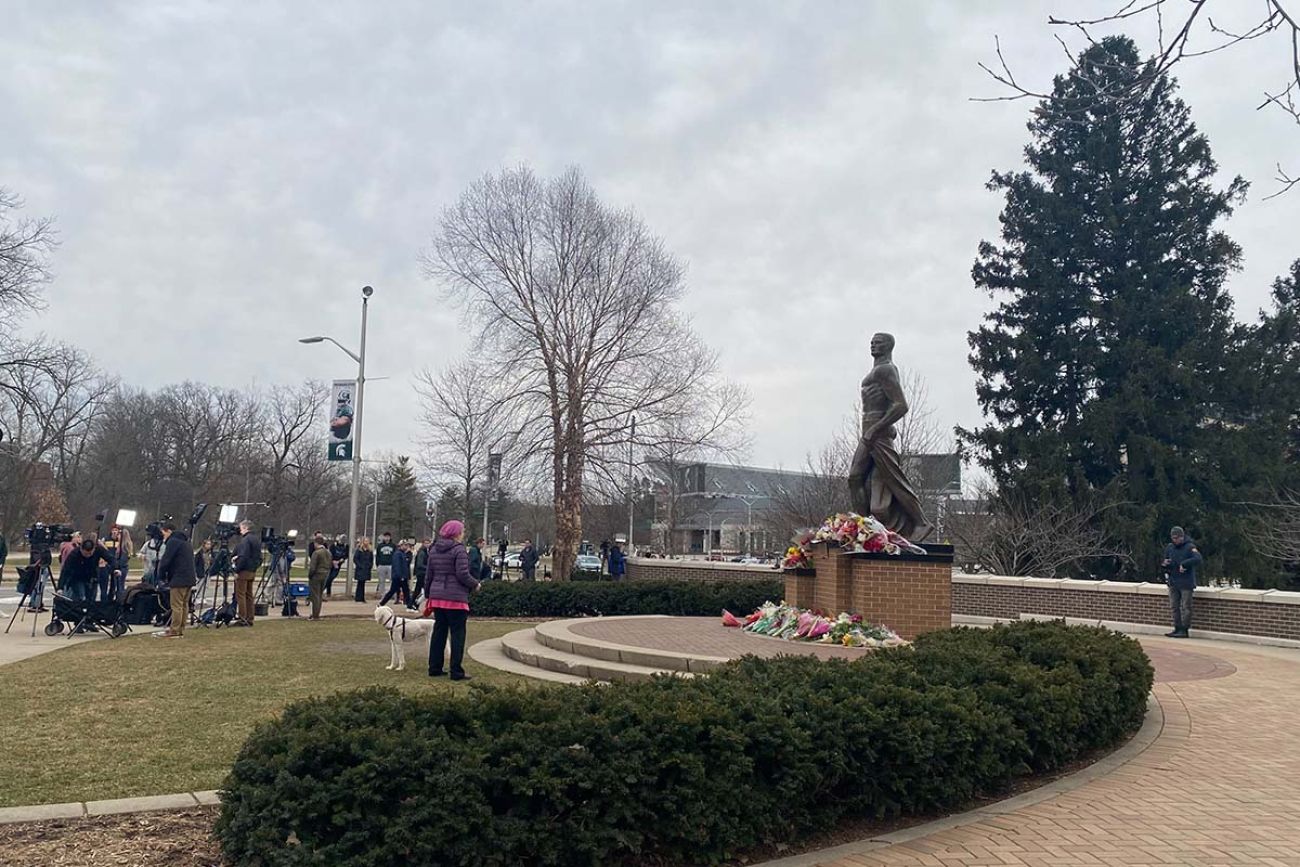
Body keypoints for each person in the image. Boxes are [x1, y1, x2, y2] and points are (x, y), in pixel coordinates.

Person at [847, 332, 933, 541]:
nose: (873, 346)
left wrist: (876, 428)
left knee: (894, 479)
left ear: (888, 347)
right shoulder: (877, 370)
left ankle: (921, 522)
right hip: (869, 430)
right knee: (855, 477)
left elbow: (901, 405)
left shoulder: (886, 370)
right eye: (872, 342)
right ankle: (864, 525)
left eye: (878, 343)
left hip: (876, 433)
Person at [425, 520, 480, 680]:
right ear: (456, 534)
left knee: (439, 632)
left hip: (437, 597)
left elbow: (429, 574)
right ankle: (456, 671)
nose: (463, 534)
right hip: (455, 597)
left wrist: (429, 594)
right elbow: (462, 574)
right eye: (462, 532)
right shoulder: (459, 550)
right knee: (458, 634)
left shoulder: (434, 549)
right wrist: (475, 584)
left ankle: (434, 667)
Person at [154, 522, 196, 638]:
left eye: (163, 533)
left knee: (176, 605)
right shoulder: (185, 542)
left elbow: (166, 560)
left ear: (168, 531)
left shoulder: (173, 542)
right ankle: (181, 627)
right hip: (189, 577)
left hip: (179, 577)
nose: (163, 537)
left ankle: (174, 629)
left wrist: (161, 575)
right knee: (184, 604)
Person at [1162, 526, 1203, 639]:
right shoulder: (1170, 548)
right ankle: (1177, 627)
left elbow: (1198, 558)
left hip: (1186, 582)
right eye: (1173, 538)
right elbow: (1166, 563)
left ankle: (1184, 629)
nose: (1175, 540)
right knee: (1174, 606)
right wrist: (1165, 564)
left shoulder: (1190, 547)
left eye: (1177, 538)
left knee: (1186, 606)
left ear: (1182, 537)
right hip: (1173, 581)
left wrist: (1185, 564)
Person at [58, 537, 119, 604]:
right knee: (81, 597)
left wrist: (116, 568)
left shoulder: (98, 550)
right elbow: (66, 570)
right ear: (81, 549)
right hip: (78, 578)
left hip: (92, 577)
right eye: (85, 554)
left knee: (91, 600)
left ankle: (89, 612)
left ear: (93, 549)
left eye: (90, 553)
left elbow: (110, 558)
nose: (88, 556)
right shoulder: (74, 554)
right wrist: (60, 587)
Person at [231, 519, 262, 627]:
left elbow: (243, 556)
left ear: (245, 528)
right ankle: (250, 617)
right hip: (252, 570)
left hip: (244, 570)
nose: (240, 530)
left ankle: (242, 618)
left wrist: (237, 569)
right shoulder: (256, 539)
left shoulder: (245, 540)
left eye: (241, 528)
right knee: (249, 595)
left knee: (241, 595)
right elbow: (259, 557)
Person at [381, 539, 414, 608]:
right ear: (400, 546)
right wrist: (400, 576)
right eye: (405, 545)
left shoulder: (403, 554)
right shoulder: (398, 554)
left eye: (407, 545)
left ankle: (409, 606)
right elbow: (397, 566)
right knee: (392, 591)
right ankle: (381, 603)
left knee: (406, 591)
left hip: (403, 576)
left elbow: (406, 565)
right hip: (398, 577)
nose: (406, 547)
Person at [307, 532, 332, 620]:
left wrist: (310, 576)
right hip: (325, 575)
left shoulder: (316, 553)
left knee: (315, 596)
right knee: (320, 595)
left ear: (316, 543)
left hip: (316, 575)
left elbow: (313, 567)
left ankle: (315, 615)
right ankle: (317, 613)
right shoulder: (328, 553)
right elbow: (330, 565)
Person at [374, 531, 396, 598]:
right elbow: (377, 556)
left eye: (388, 537)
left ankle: (392, 594)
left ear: (390, 537)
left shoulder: (393, 546)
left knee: (392, 581)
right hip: (381, 565)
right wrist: (378, 565)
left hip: (390, 565)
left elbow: (395, 556)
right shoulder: (380, 546)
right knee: (381, 581)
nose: (387, 538)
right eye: (385, 536)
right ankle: (382, 595)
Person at [353, 537, 374, 602]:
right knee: (360, 583)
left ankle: (362, 597)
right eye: (365, 541)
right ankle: (358, 597)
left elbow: (371, 559)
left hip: (366, 570)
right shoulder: (359, 550)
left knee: (363, 583)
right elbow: (355, 559)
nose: (366, 542)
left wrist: (369, 566)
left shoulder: (369, 551)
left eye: (367, 541)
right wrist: (360, 566)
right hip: (360, 570)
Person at [411, 538, 430, 606]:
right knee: (424, 591)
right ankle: (414, 603)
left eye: (428, 543)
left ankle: (413, 604)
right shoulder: (422, 552)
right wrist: (428, 568)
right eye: (426, 543)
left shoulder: (426, 552)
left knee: (418, 590)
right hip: (421, 573)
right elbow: (420, 564)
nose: (427, 545)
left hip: (422, 573)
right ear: (423, 543)